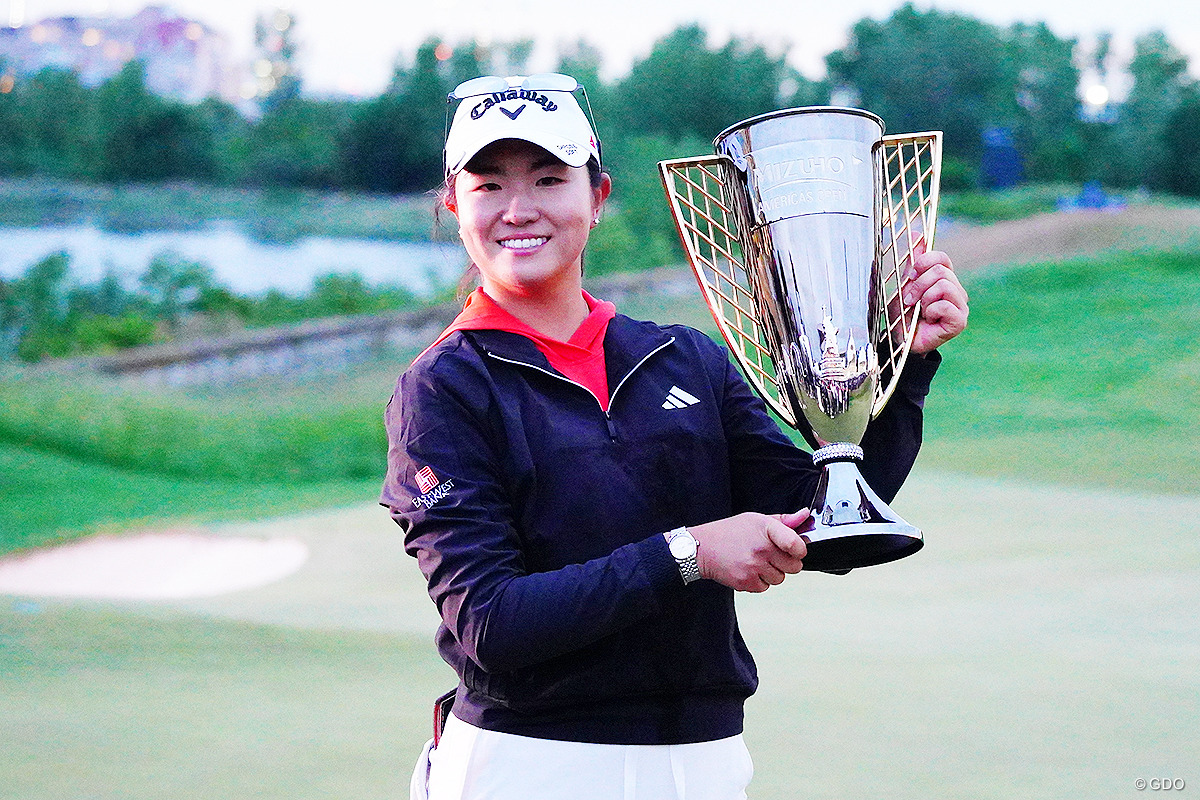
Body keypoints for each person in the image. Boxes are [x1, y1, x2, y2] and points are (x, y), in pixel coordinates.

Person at [380, 73, 968, 800]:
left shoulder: (682, 357)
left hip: (705, 762)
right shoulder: (444, 389)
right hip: (530, 762)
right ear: (453, 205)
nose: (519, 208)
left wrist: (906, 363)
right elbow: (491, 622)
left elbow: (830, 521)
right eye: (489, 184)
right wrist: (688, 554)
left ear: (596, 198)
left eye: (547, 178)